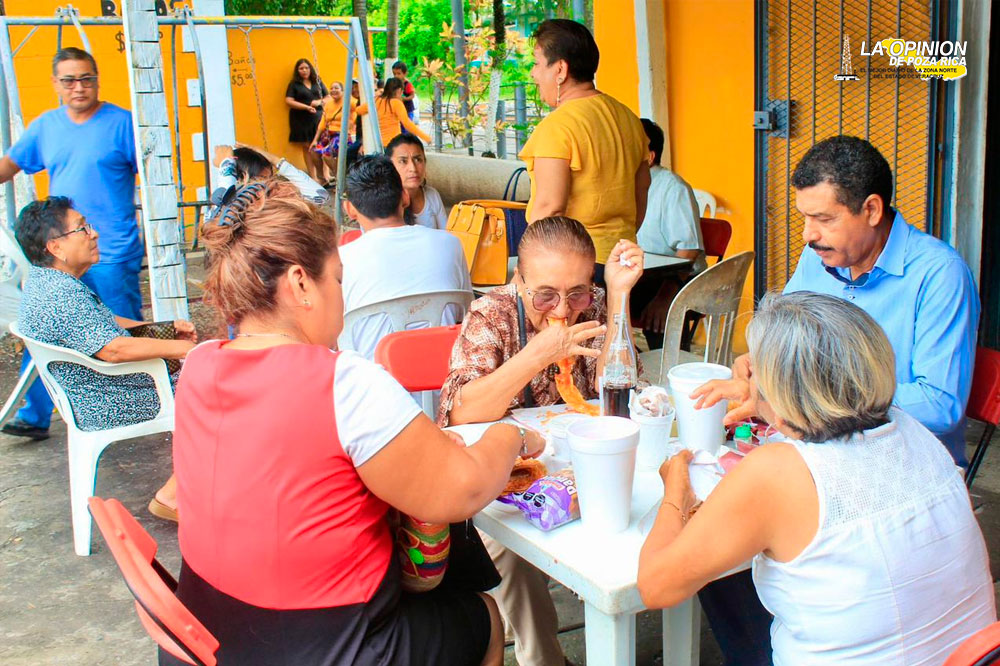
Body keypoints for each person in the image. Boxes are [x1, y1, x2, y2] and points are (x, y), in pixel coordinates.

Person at [167, 178, 544, 665]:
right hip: (327, 645)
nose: (343, 299)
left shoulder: (198, 364)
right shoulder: (344, 382)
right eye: (338, 280)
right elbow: (465, 490)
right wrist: (510, 434)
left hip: (205, 632)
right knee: (483, 615)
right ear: (301, 284)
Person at [639, 291, 996, 665]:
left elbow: (655, 587)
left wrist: (676, 490)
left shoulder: (777, 471)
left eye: (754, 371)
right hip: (975, 657)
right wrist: (770, 407)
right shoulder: (912, 428)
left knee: (714, 573)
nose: (747, 378)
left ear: (782, 391)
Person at [696, 135, 980, 467]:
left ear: (871, 210)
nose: (808, 235)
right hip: (824, 449)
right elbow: (784, 337)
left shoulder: (939, 274)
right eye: (805, 217)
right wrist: (761, 366)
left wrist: (809, 392)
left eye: (825, 219)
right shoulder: (819, 256)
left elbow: (939, 406)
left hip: (905, 464)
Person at [438, 217, 644, 666]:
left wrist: (618, 297)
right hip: (507, 482)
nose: (563, 309)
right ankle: (544, 659)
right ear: (519, 281)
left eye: (578, 293)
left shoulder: (597, 305)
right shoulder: (491, 315)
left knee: (631, 518)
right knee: (508, 554)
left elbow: (622, 388)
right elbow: (460, 411)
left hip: (580, 470)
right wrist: (538, 355)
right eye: (545, 295)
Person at [14, 197, 196, 519]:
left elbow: (104, 322)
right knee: (221, 391)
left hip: (98, 391)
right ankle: (174, 495)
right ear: (55, 247)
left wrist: (164, 328)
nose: (94, 233)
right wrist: (187, 351)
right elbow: (113, 349)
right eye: (82, 228)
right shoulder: (61, 294)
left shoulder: (47, 282)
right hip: (110, 400)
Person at [0, 47, 143, 440]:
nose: (78, 87)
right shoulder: (46, 127)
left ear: (97, 79)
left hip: (110, 250)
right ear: (55, 84)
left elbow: (153, 171)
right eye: (69, 80)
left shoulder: (122, 124)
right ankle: (35, 415)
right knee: (46, 328)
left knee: (119, 335)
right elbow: (10, 165)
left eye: (86, 78)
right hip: (59, 250)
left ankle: (132, 409)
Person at [519, 19, 650, 285]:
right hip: (623, 263)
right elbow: (641, 193)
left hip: (576, 271)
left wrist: (524, 271)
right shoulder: (628, 118)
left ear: (560, 69)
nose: (533, 74)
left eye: (536, 63)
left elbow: (549, 208)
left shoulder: (558, 126)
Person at [338, 156, 471, 360]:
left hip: (372, 377)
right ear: (405, 198)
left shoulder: (342, 260)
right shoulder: (450, 244)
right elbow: (465, 313)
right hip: (446, 372)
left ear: (350, 209)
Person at [633, 118, 706, 349]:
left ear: (649, 156)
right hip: (644, 276)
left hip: (678, 279)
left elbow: (689, 251)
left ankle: (672, 362)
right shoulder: (624, 186)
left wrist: (665, 296)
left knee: (659, 314)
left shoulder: (672, 188)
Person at [211, 143, 328, 206]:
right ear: (241, 180)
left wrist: (276, 161)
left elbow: (320, 197)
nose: (270, 185)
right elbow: (225, 200)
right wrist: (227, 164)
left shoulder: (275, 204)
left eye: (270, 178)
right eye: (261, 179)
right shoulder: (237, 214)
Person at [387, 134, 447, 230]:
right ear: (390, 166)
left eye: (418, 160)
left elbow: (446, 234)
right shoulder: (383, 201)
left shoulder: (432, 195)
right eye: (403, 161)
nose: (413, 168)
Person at [284, 58, 328, 183]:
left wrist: (319, 102)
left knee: (321, 146)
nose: (304, 70)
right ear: (297, 71)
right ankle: (313, 176)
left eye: (306, 68)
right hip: (301, 119)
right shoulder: (294, 84)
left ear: (310, 69)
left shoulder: (317, 81)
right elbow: (288, 101)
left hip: (318, 118)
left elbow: (328, 96)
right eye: (301, 68)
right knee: (307, 147)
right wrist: (306, 107)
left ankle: (325, 175)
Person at [310, 80, 361, 181]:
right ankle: (322, 178)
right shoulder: (328, 104)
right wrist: (315, 140)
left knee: (327, 154)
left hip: (342, 135)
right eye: (331, 88)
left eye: (336, 88)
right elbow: (322, 123)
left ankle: (339, 178)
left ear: (343, 91)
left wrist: (352, 126)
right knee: (313, 150)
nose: (333, 90)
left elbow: (359, 110)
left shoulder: (350, 102)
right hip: (329, 134)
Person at [357, 77, 430, 147]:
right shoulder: (396, 103)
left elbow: (358, 110)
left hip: (378, 144)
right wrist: (425, 137)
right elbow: (407, 123)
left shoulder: (376, 101)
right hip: (394, 144)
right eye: (402, 92)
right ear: (399, 90)